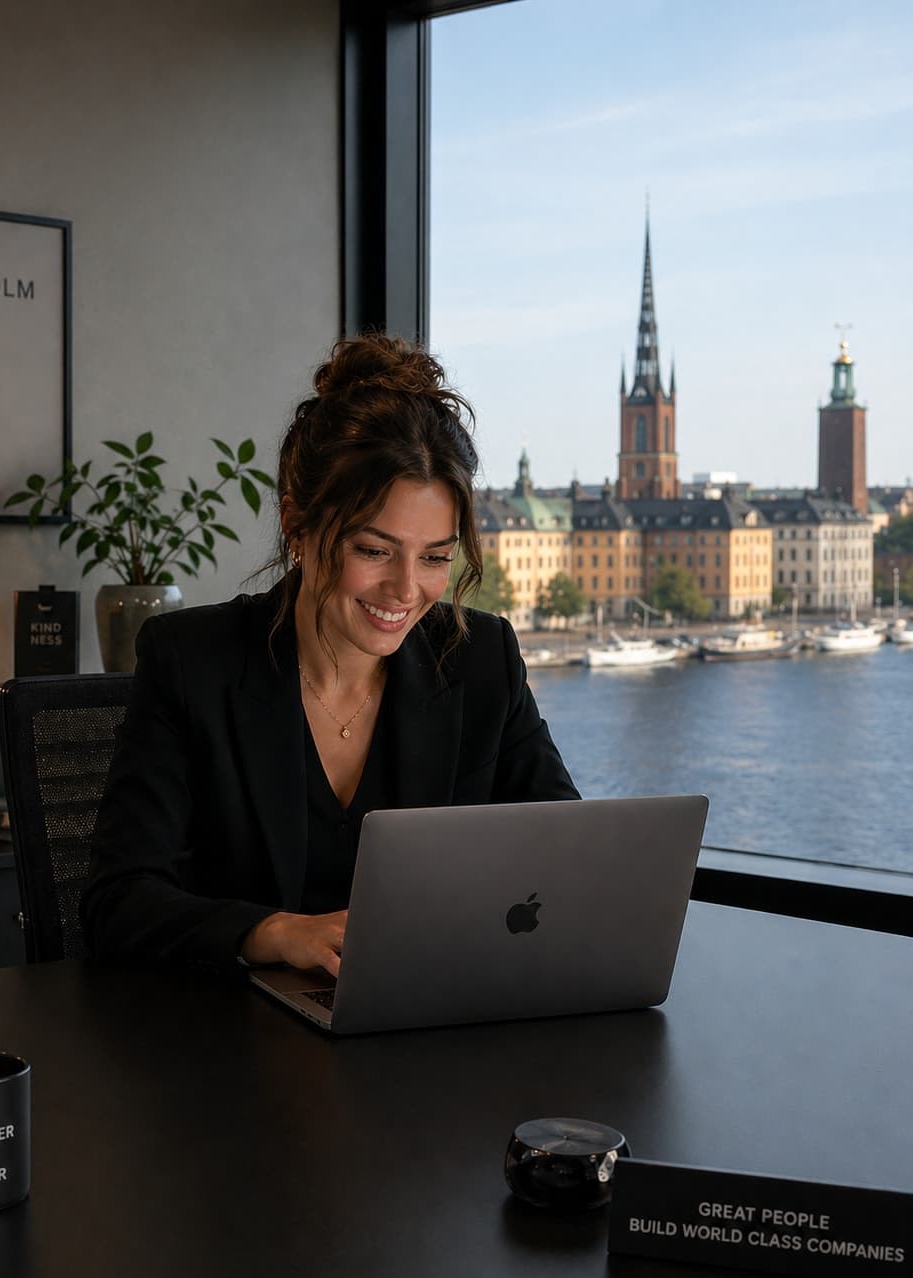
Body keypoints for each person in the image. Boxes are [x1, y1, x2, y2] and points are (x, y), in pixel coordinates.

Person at [80, 333, 579, 976]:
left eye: (433, 557)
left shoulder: (482, 660)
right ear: (297, 527)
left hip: (432, 1025)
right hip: (234, 1041)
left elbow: (570, 859)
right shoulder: (190, 664)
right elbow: (117, 904)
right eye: (374, 551)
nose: (406, 590)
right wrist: (270, 932)